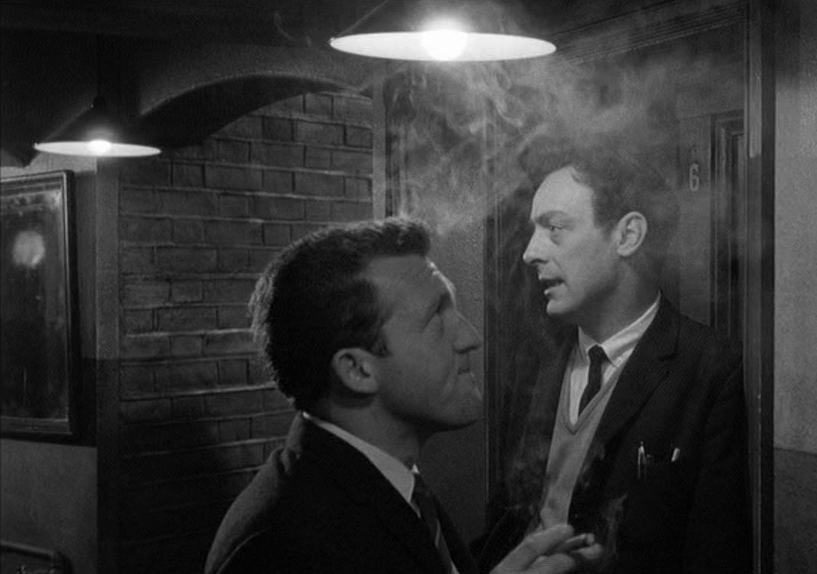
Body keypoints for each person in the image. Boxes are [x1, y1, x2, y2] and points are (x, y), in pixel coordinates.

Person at [204, 217, 603, 574]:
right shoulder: (281, 547)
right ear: (357, 370)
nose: (470, 337)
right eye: (436, 317)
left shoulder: (394, 488)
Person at [478, 143, 751, 573]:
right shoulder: (535, 359)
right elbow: (506, 520)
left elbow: (714, 555)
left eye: (554, 228)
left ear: (627, 236)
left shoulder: (708, 368)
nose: (530, 252)